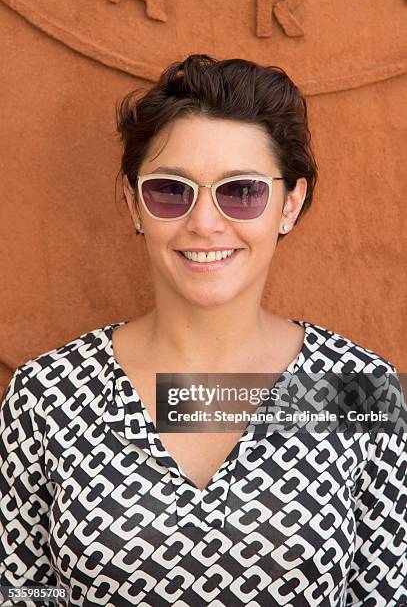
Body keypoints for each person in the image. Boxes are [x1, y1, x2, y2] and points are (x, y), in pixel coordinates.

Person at [0, 54, 405, 607]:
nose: (205, 223)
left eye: (241, 191)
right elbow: (22, 593)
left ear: (290, 203)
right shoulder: (48, 395)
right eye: (171, 190)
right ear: (133, 203)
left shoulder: (356, 389)